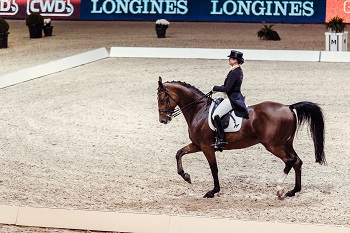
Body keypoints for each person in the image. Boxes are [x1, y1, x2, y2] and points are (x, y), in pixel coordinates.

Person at [211, 50, 249, 149]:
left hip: (232, 98)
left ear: (235, 61)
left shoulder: (234, 72)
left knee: (216, 115)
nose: (229, 59)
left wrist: (215, 88)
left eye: (231, 58)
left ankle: (221, 139)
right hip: (234, 96)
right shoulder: (237, 70)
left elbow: (227, 88)